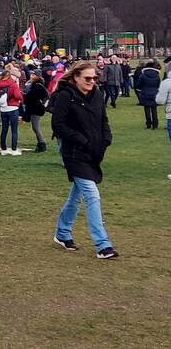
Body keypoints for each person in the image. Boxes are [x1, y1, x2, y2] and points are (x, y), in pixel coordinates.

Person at [50, 61, 118, 259]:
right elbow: (58, 125)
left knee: (76, 196)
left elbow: (103, 119)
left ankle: (62, 232)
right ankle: (103, 245)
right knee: (92, 195)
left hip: (94, 152)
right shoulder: (65, 96)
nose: (92, 82)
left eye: (94, 78)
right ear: (75, 78)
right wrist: (81, 140)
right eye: (87, 78)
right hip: (74, 154)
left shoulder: (97, 94)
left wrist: (106, 139)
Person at [0, 64, 24, 156]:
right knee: (14, 130)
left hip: (3, 109)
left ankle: (3, 149)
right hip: (13, 108)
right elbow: (18, 96)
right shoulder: (13, 84)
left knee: (4, 129)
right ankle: (14, 149)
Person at [23, 69, 50, 152]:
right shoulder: (33, 85)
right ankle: (40, 144)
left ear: (38, 76)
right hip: (33, 108)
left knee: (36, 127)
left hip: (37, 109)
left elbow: (31, 96)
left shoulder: (38, 86)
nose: (31, 76)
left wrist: (23, 95)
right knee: (35, 127)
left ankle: (42, 144)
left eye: (34, 75)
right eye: (31, 74)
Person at [133, 61, 162, 129]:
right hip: (154, 93)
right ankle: (155, 124)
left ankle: (148, 124)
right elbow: (158, 84)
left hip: (145, 93)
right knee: (154, 109)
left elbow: (139, 84)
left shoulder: (143, 75)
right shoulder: (157, 75)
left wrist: (139, 88)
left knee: (147, 109)